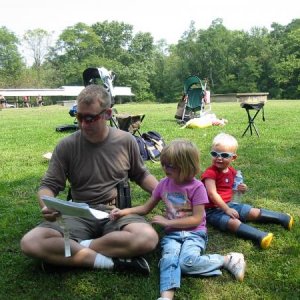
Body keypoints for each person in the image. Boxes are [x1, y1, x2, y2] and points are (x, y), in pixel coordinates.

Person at [20, 84, 159, 275]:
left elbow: (141, 175)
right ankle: (112, 263)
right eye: (79, 117)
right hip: (78, 213)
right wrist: (45, 205)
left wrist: (164, 192)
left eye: (90, 118)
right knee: (31, 242)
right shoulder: (66, 145)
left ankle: (69, 252)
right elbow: (48, 185)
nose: (83, 124)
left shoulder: (126, 140)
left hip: (116, 211)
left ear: (107, 113)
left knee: (147, 238)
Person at [111, 139, 246, 300]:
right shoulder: (163, 184)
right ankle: (166, 297)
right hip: (172, 235)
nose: (165, 168)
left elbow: (196, 219)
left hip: (195, 233)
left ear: (186, 166)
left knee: (187, 263)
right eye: (164, 164)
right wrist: (123, 212)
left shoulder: (197, 187)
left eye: (170, 165)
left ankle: (227, 259)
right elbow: (146, 208)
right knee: (168, 259)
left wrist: (167, 222)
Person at [201, 133, 294, 249]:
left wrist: (241, 189)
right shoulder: (210, 173)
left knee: (251, 211)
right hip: (212, 210)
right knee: (232, 223)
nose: (219, 158)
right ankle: (260, 236)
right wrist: (227, 209)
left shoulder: (232, 171)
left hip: (230, 204)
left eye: (224, 155)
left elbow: (233, 188)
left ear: (233, 158)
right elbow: (212, 193)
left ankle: (283, 218)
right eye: (215, 154)